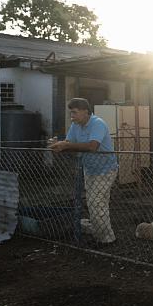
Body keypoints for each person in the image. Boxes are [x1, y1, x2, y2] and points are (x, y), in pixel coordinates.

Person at [49, 98, 118, 244]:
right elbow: (70, 144)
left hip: (106, 169)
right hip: (90, 169)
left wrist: (66, 146)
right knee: (95, 203)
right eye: (70, 113)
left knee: (96, 203)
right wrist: (59, 146)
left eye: (74, 112)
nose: (71, 116)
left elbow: (93, 146)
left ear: (86, 112)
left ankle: (106, 239)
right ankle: (100, 232)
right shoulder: (75, 125)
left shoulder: (97, 123)